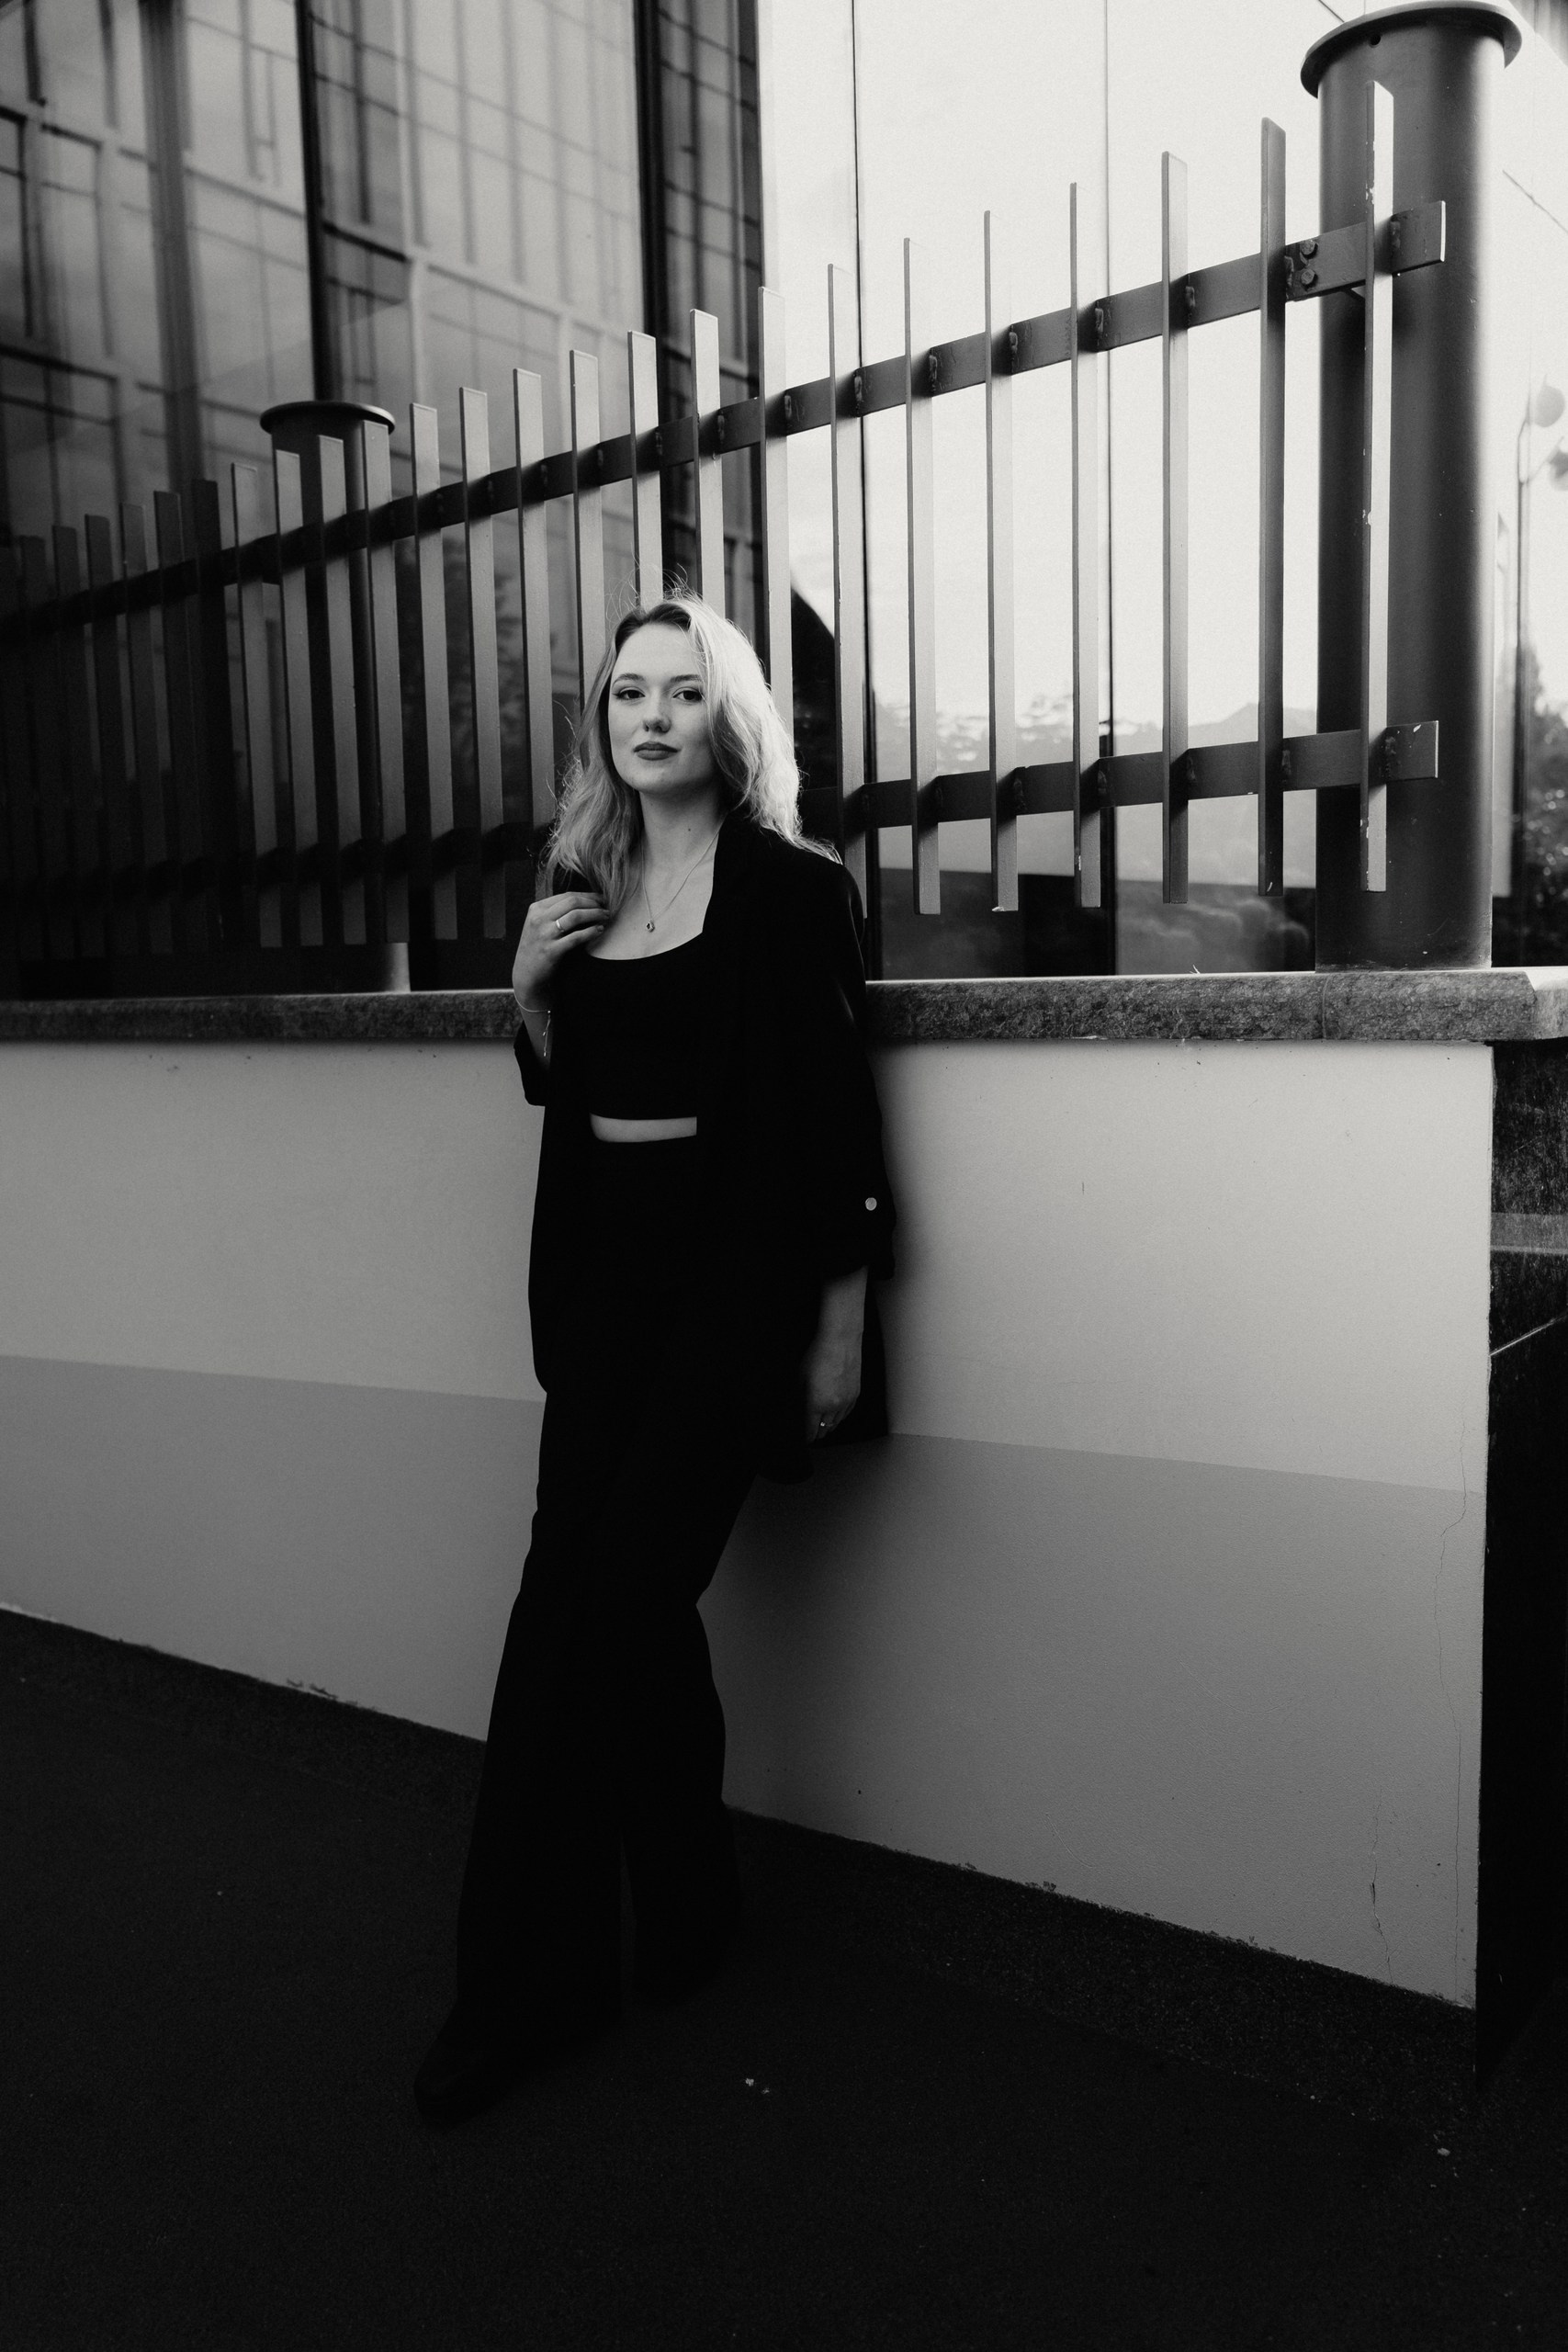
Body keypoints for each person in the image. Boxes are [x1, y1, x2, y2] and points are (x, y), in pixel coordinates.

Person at [414, 593, 895, 2125]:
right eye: (630, 692)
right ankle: (641, 1925)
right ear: (604, 719)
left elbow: (836, 1124)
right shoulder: (584, 881)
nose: (652, 716)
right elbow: (572, 1086)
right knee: (579, 1610)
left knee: (610, 1605)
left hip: (731, 1291)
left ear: (729, 719)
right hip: (603, 1294)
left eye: (684, 692)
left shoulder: (793, 890)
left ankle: (569, 1965)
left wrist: (838, 1333)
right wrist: (529, 999)